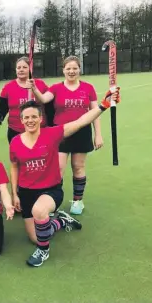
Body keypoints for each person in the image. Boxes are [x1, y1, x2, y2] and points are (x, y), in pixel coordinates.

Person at [9, 88, 120, 267]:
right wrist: (15, 194)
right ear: (21, 120)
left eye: (33, 117)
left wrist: (103, 105)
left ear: (40, 118)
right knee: (36, 237)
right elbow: (14, 167)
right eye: (26, 117)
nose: (30, 120)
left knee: (39, 214)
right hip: (26, 192)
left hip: (49, 191)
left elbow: (80, 122)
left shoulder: (51, 134)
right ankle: (60, 221)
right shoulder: (15, 142)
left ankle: (43, 252)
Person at [29, 56, 103, 215]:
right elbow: (43, 99)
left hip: (82, 132)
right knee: (58, 168)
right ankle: (53, 202)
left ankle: (77, 201)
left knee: (78, 166)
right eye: (68, 68)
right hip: (60, 132)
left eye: (74, 68)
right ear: (63, 70)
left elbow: (95, 112)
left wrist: (98, 135)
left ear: (79, 70)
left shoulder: (88, 88)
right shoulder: (56, 87)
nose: (71, 71)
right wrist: (34, 88)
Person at [0, 56, 52, 144]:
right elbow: (2, 108)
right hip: (16, 131)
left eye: (24, 67)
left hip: (39, 130)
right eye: (18, 67)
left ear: (30, 69)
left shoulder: (40, 84)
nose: (21, 70)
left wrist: (51, 125)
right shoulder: (8, 87)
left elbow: (49, 107)